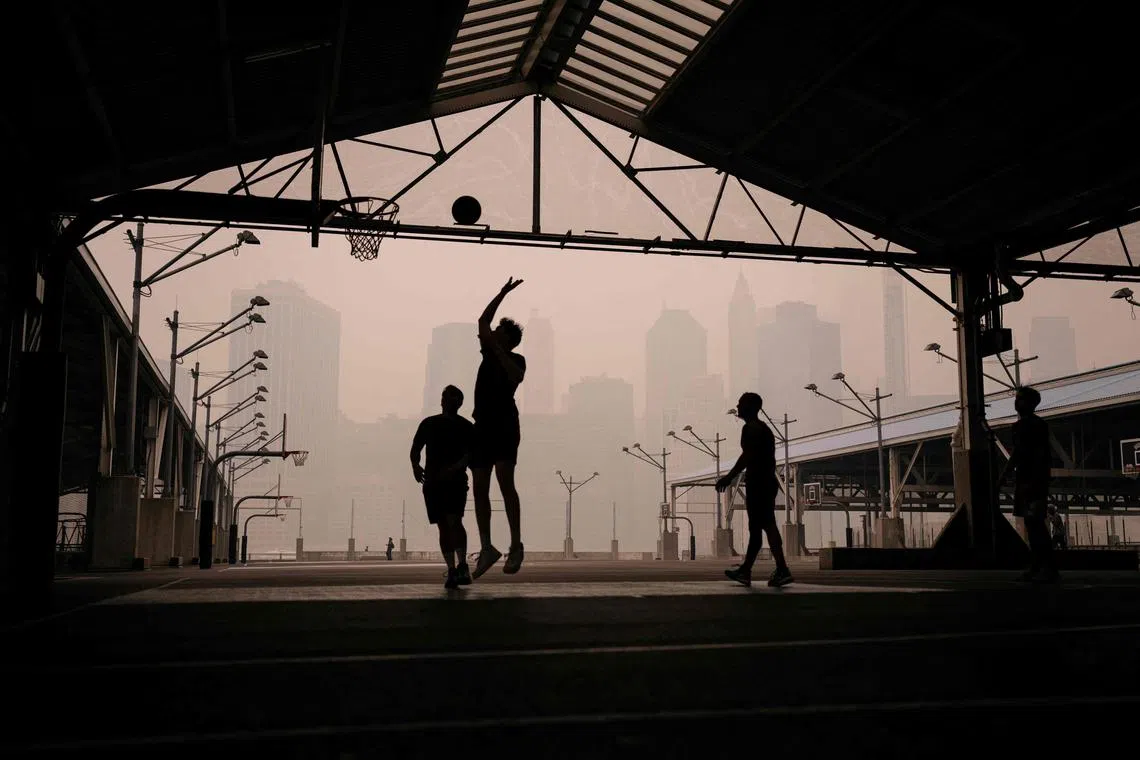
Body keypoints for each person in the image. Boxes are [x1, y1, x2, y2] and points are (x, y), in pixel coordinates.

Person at [470, 278, 527, 579]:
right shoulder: (488, 352)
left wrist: (498, 349)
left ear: (506, 340)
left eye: (497, 333)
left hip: (504, 425)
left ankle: (515, 544)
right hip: (482, 427)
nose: (490, 333)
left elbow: (516, 377)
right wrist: (502, 293)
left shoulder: (515, 359)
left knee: (505, 484)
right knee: (480, 488)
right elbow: (482, 320)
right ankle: (487, 547)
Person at [716, 392, 793, 588]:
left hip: (758, 484)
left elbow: (747, 457)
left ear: (750, 407)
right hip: (767, 483)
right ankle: (762, 569)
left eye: (741, 403)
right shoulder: (764, 429)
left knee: (758, 528)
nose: (738, 406)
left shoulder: (750, 429)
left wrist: (729, 477)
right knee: (766, 526)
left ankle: (760, 570)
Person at [411, 385, 475, 589]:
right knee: (446, 524)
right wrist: (415, 465)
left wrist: (416, 465)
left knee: (451, 523)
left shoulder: (437, 424)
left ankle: (459, 566)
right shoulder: (460, 426)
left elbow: (471, 454)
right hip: (437, 482)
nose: (447, 401)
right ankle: (455, 568)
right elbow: (415, 450)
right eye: (447, 397)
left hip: (448, 482)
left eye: (450, 397)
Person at [999, 385, 1058, 582]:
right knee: (1034, 523)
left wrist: (1004, 475)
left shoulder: (1022, 427)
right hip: (1034, 480)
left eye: (1020, 398)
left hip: (1030, 481)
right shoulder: (1039, 425)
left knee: (1034, 524)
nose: (1017, 402)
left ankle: (1043, 566)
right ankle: (1043, 566)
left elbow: (1018, 454)